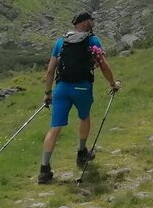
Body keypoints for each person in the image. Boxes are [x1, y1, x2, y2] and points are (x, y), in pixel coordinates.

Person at [38, 12, 121, 184]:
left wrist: (48, 93)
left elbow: (50, 70)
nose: (93, 23)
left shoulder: (60, 42)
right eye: (91, 20)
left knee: (55, 127)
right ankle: (82, 153)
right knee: (84, 117)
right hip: (82, 87)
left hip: (61, 88)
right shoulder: (92, 41)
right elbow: (103, 65)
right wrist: (113, 83)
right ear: (84, 23)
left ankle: (44, 170)